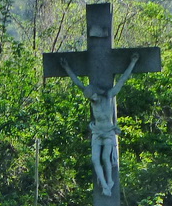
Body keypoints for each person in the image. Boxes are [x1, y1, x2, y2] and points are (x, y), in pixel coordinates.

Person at [59, 53, 139, 197]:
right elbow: (77, 82)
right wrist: (67, 68)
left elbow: (123, 79)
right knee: (95, 159)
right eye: (90, 98)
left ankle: (109, 182)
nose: (93, 99)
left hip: (108, 131)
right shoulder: (91, 100)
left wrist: (133, 62)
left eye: (93, 96)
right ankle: (104, 185)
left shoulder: (109, 96)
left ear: (97, 93)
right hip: (96, 131)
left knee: (105, 159)